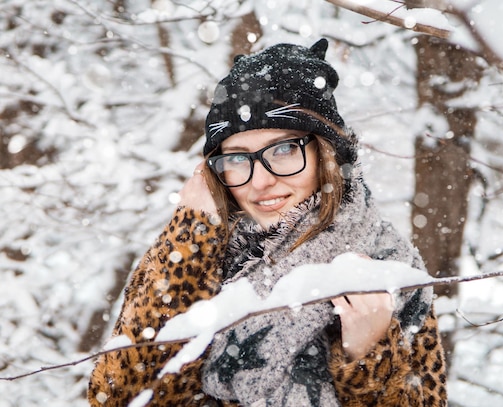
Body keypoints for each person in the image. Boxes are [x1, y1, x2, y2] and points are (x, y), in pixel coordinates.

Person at [88, 38, 447, 407]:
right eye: (238, 159)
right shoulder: (198, 252)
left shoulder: (388, 267)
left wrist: (369, 356)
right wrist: (189, 238)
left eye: (284, 149)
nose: (260, 181)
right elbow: (118, 396)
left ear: (326, 152)